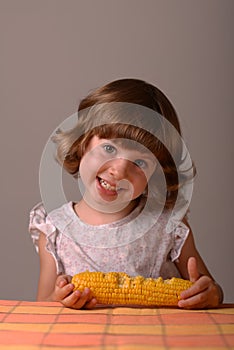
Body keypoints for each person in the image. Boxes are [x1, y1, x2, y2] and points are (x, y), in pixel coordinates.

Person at [29, 78, 223, 309]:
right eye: (109, 148)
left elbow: (210, 289)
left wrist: (209, 293)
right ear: (82, 143)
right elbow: (42, 306)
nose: (119, 171)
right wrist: (58, 299)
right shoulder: (55, 229)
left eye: (140, 162)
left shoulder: (167, 225)